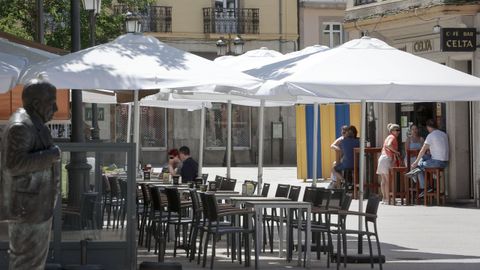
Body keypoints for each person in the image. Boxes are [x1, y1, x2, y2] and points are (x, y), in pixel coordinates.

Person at [0, 80, 61, 270]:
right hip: (27, 211)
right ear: (36, 104)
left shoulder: (33, 123)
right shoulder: (21, 126)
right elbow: (14, 164)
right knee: (27, 263)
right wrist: (52, 155)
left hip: (35, 209)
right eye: (52, 102)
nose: (56, 107)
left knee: (32, 263)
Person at [406, 119, 449, 197]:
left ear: (429, 127)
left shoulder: (431, 135)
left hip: (437, 162)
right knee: (424, 158)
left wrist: (415, 162)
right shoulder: (444, 134)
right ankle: (430, 175)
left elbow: (422, 150)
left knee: (418, 166)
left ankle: (425, 188)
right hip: (445, 162)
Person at [376, 123, 401, 204]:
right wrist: (396, 151)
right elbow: (388, 145)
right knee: (388, 181)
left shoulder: (388, 137)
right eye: (396, 130)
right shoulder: (392, 137)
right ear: (392, 131)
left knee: (384, 180)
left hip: (382, 158)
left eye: (399, 130)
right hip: (387, 159)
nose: (398, 132)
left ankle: (385, 198)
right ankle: (388, 199)